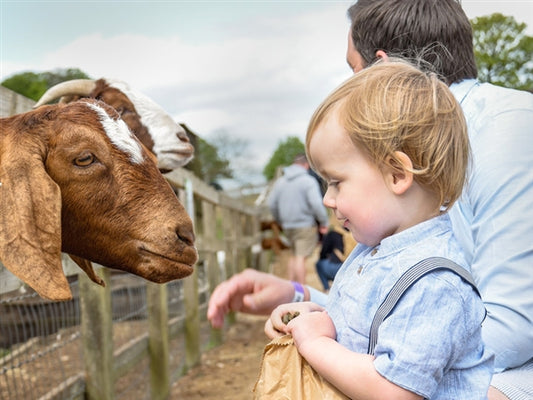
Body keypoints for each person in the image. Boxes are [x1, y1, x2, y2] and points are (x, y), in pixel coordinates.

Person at [208, 1, 533, 398]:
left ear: (381, 71)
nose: (328, 199)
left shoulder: (511, 131)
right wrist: (305, 304)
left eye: (352, 72)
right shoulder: (386, 236)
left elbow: (507, 331)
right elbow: (398, 318)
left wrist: (318, 345)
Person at [264, 59, 493, 399]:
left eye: (337, 183)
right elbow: (366, 329)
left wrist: (314, 342)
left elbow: (395, 391)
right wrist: (313, 317)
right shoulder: (376, 248)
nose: (327, 199)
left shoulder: (434, 284)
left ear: (397, 175)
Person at [267, 153, 328, 284]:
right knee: (301, 258)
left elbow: (271, 204)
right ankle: (301, 292)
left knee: (293, 256)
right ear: (306, 165)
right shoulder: (308, 181)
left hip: (287, 226)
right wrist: (323, 222)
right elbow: (316, 204)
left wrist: (280, 220)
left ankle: (291, 289)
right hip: (305, 225)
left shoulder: (280, 182)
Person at [315, 213, 355, 291]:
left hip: (338, 267)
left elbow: (323, 253)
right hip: (354, 267)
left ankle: (327, 289)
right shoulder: (356, 232)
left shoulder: (333, 233)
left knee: (319, 264)